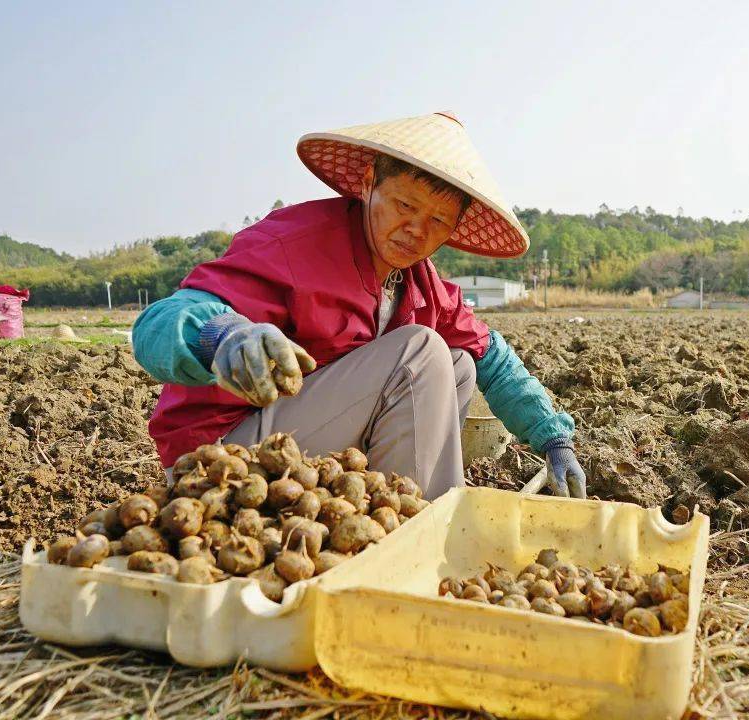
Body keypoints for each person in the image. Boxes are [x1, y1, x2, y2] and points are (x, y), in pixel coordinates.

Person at [132, 111, 586, 499]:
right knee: (419, 351)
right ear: (369, 184)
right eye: (405, 205)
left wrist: (553, 437)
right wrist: (221, 335)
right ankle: (419, 526)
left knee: (459, 363)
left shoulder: (419, 283)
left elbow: (495, 359)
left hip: (306, 460)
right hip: (224, 459)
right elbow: (165, 320)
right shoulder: (296, 243)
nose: (416, 230)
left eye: (437, 221)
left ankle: (381, 511)